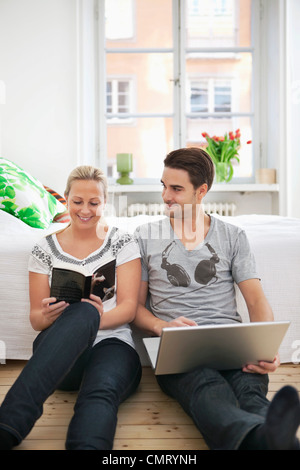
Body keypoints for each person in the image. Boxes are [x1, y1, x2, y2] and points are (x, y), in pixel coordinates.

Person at [134, 147, 300, 450]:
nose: (166, 196)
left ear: (202, 191)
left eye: (176, 188)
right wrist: (163, 327)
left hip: (232, 343)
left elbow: (255, 300)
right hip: (178, 347)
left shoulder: (233, 236)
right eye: (163, 186)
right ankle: (270, 439)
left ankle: (267, 441)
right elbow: (134, 307)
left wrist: (265, 347)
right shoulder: (145, 236)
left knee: (249, 392)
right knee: (207, 388)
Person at [0, 165, 142, 450]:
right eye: (77, 202)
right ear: (66, 198)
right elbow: (36, 320)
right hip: (62, 349)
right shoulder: (43, 248)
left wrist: (91, 318)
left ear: (105, 202)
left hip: (113, 345)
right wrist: (48, 316)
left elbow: (128, 309)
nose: (85, 210)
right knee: (83, 311)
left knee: (100, 391)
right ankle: (6, 427)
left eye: (94, 202)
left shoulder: (123, 242)